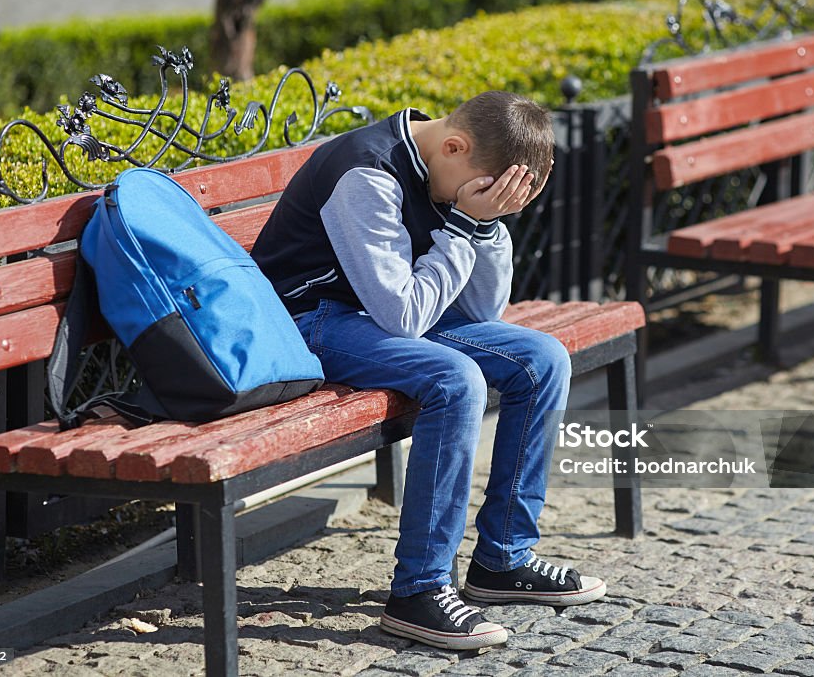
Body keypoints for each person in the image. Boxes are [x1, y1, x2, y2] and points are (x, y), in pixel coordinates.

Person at [251, 91, 607, 651]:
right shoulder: (366, 174)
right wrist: (465, 224)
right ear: (455, 144)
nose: (486, 200)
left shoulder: (453, 169)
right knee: (455, 379)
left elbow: (481, 311)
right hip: (312, 318)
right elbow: (405, 317)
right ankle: (419, 590)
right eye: (489, 190)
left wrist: (484, 227)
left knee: (543, 359)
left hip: (384, 315)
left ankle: (501, 561)